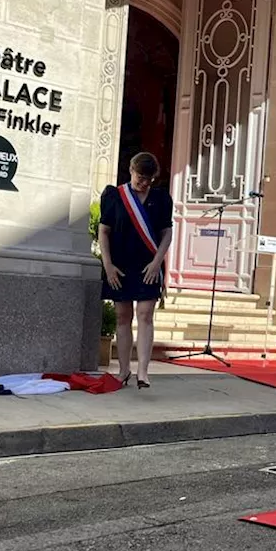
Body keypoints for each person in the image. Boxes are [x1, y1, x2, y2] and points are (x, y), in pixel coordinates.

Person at [98, 152, 173, 389]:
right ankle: (123, 370)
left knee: (145, 314)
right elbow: (104, 231)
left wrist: (157, 262)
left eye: (149, 179)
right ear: (131, 170)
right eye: (141, 177)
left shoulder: (161, 198)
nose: (144, 183)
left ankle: (142, 371)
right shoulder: (114, 196)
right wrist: (107, 265)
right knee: (122, 317)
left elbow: (166, 233)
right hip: (119, 264)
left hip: (148, 265)